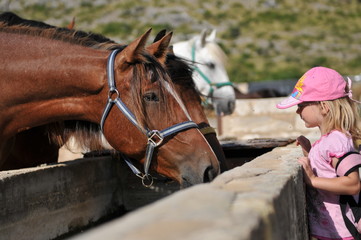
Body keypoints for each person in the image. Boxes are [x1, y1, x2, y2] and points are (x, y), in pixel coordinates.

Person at [276, 66, 361, 240]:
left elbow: (353, 184)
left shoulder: (336, 141)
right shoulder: (329, 141)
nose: (298, 111)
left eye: (302, 106)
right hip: (330, 232)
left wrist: (313, 180)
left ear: (323, 106)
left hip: (342, 233)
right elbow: (328, 170)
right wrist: (310, 152)